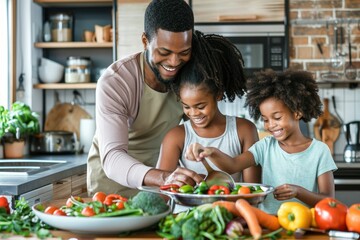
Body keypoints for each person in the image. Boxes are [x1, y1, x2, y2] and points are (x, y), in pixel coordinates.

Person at [87, 0, 203, 197]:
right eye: (164, 52)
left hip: (162, 184)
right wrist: (164, 177)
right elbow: (113, 157)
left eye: (184, 52)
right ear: (145, 41)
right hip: (112, 189)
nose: (174, 62)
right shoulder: (116, 81)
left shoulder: (189, 74)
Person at [186, 69, 338, 214]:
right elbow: (232, 165)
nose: (270, 125)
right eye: (265, 120)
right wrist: (211, 152)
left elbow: (329, 200)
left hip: (305, 225)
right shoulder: (265, 146)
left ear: (297, 112)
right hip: (267, 222)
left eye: (277, 118)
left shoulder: (319, 150)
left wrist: (298, 192)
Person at [157, 31, 261, 184]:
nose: (193, 113)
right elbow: (163, 192)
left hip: (234, 208)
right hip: (185, 209)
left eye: (200, 106)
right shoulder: (176, 137)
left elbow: (252, 189)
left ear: (218, 94)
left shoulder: (244, 130)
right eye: (186, 106)